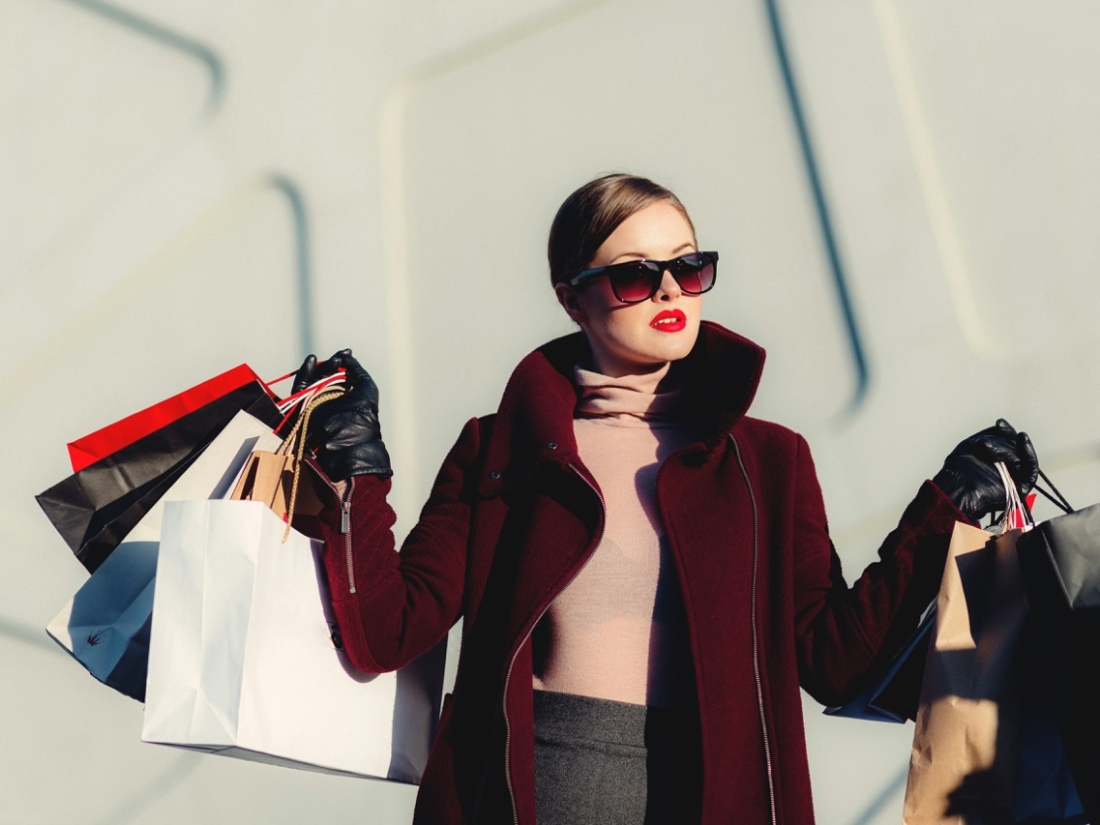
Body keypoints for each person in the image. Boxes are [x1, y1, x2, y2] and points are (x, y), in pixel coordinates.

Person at [292, 173, 1038, 824]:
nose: (672, 291)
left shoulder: (769, 461)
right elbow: (387, 630)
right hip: (532, 794)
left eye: (689, 265)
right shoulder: (501, 449)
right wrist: (358, 467)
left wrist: (946, 508)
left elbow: (834, 660)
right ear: (571, 298)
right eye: (634, 276)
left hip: (716, 796)